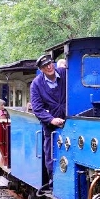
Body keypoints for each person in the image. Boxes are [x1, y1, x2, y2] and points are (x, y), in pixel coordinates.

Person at [30, 54, 67, 183]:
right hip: (51, 125)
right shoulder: (36, 84)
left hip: (70, 120)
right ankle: (53, 179)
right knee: (51, 151)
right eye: (45, 66)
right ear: (41, 69)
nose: (49, 67)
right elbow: (37, 108)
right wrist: (51, 119)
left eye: (50, 63)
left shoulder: (64, 73)